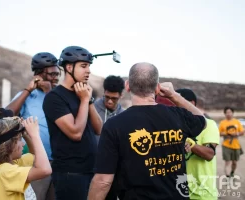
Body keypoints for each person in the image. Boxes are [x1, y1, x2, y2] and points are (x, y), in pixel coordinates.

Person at [88, 62, 206, 200]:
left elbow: (103, 181)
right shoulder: (177, 115)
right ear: (157, 88)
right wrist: (173, 95)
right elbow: (201, 120)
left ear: (127, 86)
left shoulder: (114, 126)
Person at [43, 46, 103, 200]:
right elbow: (75, 133)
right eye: (83, 66)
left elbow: (99, 129)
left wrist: (87, 100)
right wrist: (84, 100)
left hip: (91, 169)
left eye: (89, 66)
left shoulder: (83, 94)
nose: (88, 70)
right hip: (70, 174)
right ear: (69, 67)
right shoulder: (54, 98)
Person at [6, 52, 60, 200]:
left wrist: (49, 91)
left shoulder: (59, 95)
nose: (56, 77)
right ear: (39, 74)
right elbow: (6, 116)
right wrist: (28, 90)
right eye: (52, 74)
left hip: (59, 161)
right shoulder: (27, 95)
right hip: (35, 161)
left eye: (57, 73)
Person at [0, 116, 52, 200]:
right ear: (7, 144)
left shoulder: (11, 165)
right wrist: (35, 135)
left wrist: (25, 135)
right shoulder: (5, 173)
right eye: (19, 140)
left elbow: (34, 155)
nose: (23, 144)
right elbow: (45, 170)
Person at [176, 88, 219, 200]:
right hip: (179, 192)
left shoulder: (209, 124)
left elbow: (209, 154)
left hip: (202, 194)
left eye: (176, 102)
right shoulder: (175, 127)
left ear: (191, 103)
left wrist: (192, 145)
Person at [93, 75, 124, 200]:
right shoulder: (92, 108)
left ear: (121, 96)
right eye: (107, 97)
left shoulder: (124, 115)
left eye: (114, 98)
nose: (110, 101)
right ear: (103, 93)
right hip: (91, 167)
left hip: (113, 172)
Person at [219, 107, 244, 178]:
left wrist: (237, 134)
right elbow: (219, 133)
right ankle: (227, 176)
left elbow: (242, 132)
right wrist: (226, 133)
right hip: (226, 145)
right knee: (227, 162)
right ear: (225, 114)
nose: (228, 114)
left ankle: (232, 172)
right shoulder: (222, 123)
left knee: (234, 162)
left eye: (230, 112)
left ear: (232, 113)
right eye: (227, 112)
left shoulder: (237, 122)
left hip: (236, 145)